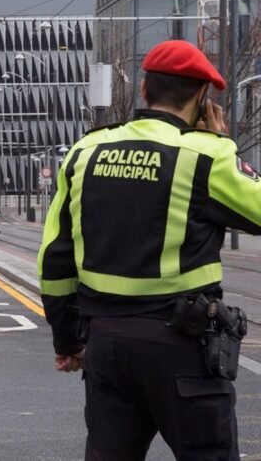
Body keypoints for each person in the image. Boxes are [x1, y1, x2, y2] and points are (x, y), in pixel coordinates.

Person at [39, 40, 260, 460]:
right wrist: (224, 146)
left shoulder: (85, 152)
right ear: (201, 98)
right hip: (183, 349)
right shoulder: (206, 155)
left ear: (143, 89)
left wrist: (67, 341)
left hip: (107, 348)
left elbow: (54, 259)